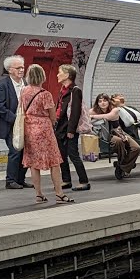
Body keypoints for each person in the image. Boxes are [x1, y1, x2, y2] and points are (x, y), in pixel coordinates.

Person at [20, 65, 74, 204]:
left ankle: (39, 194)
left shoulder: (23, 91)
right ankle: (59, 193)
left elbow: (21, 109)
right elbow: (52, 116)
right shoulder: (45, 94)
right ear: (42, 76)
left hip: (29, 128)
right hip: (44, 130)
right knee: (54, 162)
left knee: (33, 163)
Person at [0, 55, 30, 189]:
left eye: (23, 67)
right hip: (11, 125)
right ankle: (10, 181)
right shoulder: (2, 85)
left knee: (25, 152)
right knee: (15, 151)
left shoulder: (26, 83)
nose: (22, 70)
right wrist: (17, 120)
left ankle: (21, 179)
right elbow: (0, 107)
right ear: (9, 70)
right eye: (18, 67)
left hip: (27, 125)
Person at [55, 64, 90, 192]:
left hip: (69, 129)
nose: (57, 75)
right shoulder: (62, 90)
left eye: (60, 72)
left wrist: (71, 130)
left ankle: (84, 181)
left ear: (68, 75)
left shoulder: (75, 90)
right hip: (60, 127)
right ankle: (66, 180)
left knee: (73, 154)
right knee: (62, 156)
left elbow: (75, 111)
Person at [89, 93, 140, 178]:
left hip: (116, 132)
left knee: (136, 148)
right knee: (118, 141)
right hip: (102, 136)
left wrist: (93, 116)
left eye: (105, 100)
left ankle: (122, 166)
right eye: (100, 101)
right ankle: (123, 166)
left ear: (109, 102)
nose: (103, 103)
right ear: (97, 103)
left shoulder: (114, 110)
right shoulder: (93, 110)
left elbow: (111, 118)